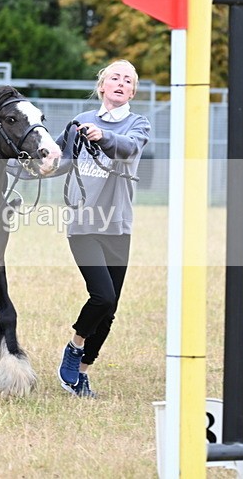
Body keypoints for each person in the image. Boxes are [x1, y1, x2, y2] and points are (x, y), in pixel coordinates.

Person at [55, 59, 151, 397]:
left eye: (128, 80)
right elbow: (59, 161)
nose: (121, 83)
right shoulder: (79, 122)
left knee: (109, 310)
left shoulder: (138, 124)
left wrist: (104, 135)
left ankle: (80, 374)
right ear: (102, 86)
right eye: (115, 77)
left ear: (133, 91)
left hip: (118, 227)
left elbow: (128, 148)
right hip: (83, 225)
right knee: (103, 295)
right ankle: (75, 345)